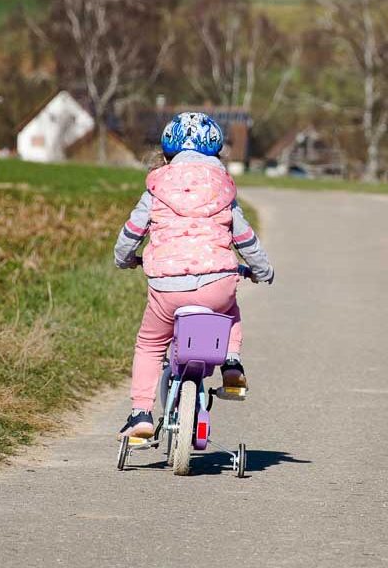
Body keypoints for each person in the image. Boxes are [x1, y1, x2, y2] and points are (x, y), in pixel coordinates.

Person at [113, 112, 274, 439]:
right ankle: (231, 363)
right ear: (217, 153)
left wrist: (126, 259)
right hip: (217, 282)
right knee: (229, 312)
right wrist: (261, 270)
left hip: (166, 287)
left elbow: (131, 234)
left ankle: (141, 413)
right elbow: (245, 240)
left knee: (150, 344)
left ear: (167, 153)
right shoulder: (223, 189)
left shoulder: (156, 188)